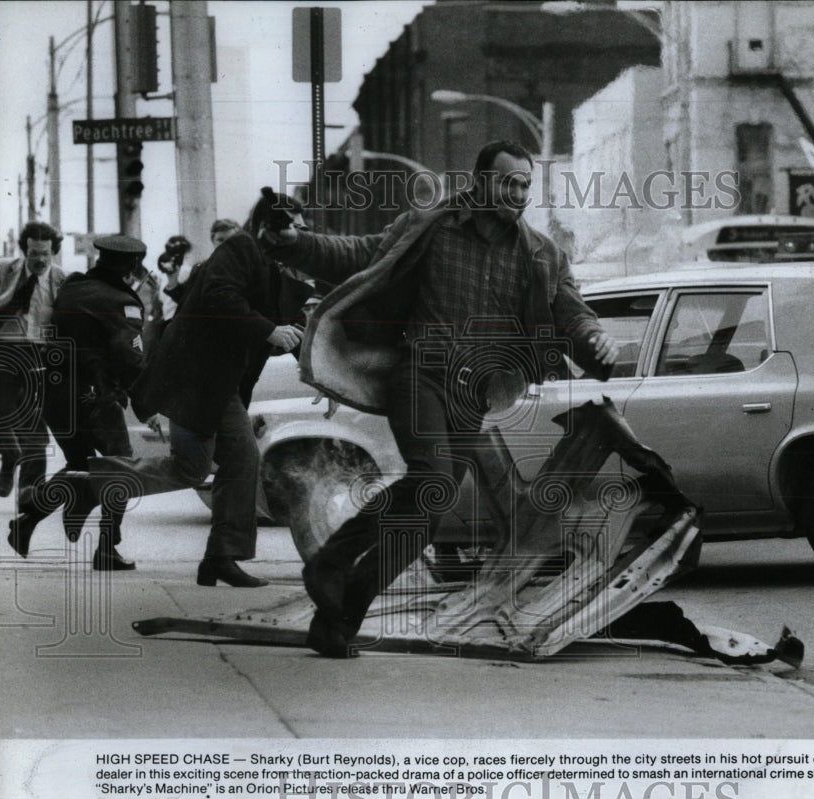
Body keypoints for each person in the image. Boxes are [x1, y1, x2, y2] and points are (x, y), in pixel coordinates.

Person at [263, 140, 620, 657]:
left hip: (473, 393)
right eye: (508, 182)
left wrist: (596, 340)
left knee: (427, 511)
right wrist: (295, 243)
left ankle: (338, 621)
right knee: (431, 479)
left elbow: (573, 313)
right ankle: (333, 560)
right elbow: (361, 254)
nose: (518, 193)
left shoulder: (540, 253)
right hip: (420, 374)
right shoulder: (430, 226)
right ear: (479, 182)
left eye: (525, 184)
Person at [87, 190, 305, 588]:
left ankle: (218, 557)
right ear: (268, 227)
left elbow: (287, 322)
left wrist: (314, 369)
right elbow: (220, 299)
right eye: (293, 224)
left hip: (214, 384)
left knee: (205, 467)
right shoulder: (240, 248)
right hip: (200, 380)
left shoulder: (269, 260)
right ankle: (85, 482)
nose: (301, 232)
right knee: (228, 463)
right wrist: (269, 330)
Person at [7, 235, 149, 570]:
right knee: (120, 469)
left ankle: (27, 522)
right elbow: (131, 359)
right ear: (132, 266)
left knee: (80, 467)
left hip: (56, 397)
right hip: (96, 399)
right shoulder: (121, 301)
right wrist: (148, 405)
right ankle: (106, 549)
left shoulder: (72, 288)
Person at [0, 222, 67, 499]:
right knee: (2, 409)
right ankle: (11, 455)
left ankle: (29, 487)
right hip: (4, 347)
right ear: (25, 250)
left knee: (35, 418)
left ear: (53, 252)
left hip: (40, 351)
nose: (40, 259)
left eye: (45, 254)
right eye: (34, 253)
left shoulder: (61, 279)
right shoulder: (4, 269)